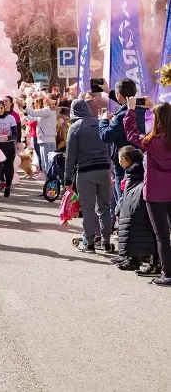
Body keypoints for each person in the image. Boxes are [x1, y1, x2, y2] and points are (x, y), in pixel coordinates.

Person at [123, 99, 171, 286]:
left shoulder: (152, 141)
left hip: (155, 193)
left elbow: (131, 133)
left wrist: (131, 110)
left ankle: (167, 274)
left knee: (162, 236)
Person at [64, 99, 112, 252]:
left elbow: (70, 155)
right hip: (104, 169)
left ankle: (90, 243)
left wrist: (67, 178)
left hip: (85, 172)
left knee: (88, 209)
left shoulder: (74, 128)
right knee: (105, 208)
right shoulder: (101, 123)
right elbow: (109, 145)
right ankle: (106, 243)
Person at [99, 78, 148, 216]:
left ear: (119, 95)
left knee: (123, 198)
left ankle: (125, 227)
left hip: (123, 162)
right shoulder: (142, 110)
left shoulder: (122, 116)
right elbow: (126, 104)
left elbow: (105, 136)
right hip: (139, 159)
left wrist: (103, 120)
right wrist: (108, 91)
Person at [113, 146, 157, 272]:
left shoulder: (133, 172)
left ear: (124, 158)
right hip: (139, 206)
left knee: (136, 231)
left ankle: (135, 259)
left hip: (137, 208)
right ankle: (132, 258)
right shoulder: (137, 169)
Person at [0, 100, 20, 198]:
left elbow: (15, 134)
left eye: (1, 108)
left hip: (8, 147)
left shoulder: (10, 118)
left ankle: (8, 186)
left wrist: (7, 137)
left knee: (8, 168)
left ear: (4, 108)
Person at [25, 96, 59, 174]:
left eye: (47, 99)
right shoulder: (45, 112)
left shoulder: (49, 110)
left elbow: (33, 113)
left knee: (48, 166)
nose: (45, 101)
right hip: (43, 141)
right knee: (45, 166)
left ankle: (52, 184)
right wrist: (24, 111)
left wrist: (24, 106)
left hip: (48, 141)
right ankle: (49, 184)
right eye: (44, 99)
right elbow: (32, 117)